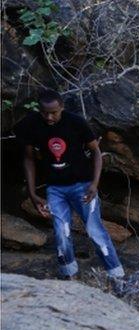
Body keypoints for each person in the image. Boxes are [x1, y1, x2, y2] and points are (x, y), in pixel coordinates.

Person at [14, 89, 125, 291]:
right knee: (61, 233)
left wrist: (94, 184)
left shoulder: (75, 122)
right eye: (44, 112)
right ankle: (70, 280)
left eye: (54, 112)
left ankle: (117, 278)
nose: (49, 117)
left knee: (94, 230)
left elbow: (96, 152)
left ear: (62, 107)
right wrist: (32, 193)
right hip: (55, 189)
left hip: (82, 186)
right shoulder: (31, 125)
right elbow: (29, 159)